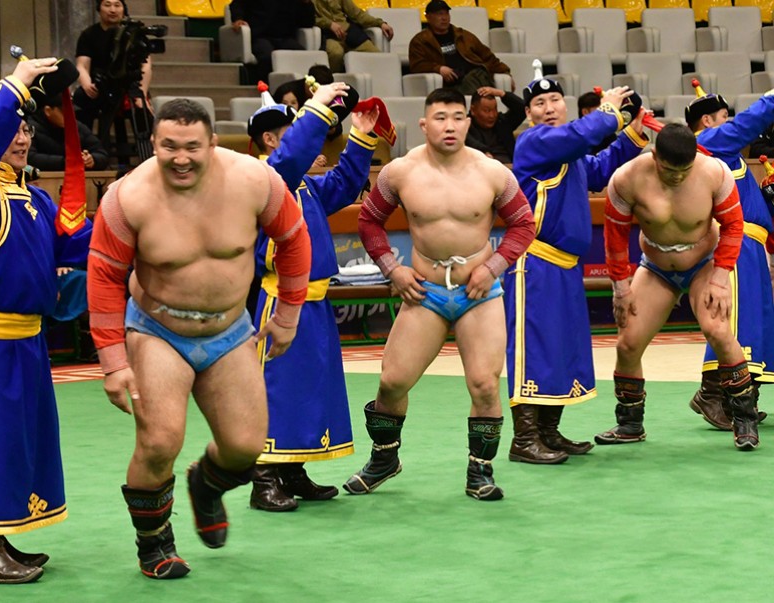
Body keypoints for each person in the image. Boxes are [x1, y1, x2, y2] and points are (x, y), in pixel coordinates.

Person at [86, 99, 312, 578]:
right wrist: (113, 362)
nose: (181, 158)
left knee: (245, 447)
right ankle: (154, 544)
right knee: (159, 441)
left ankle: (205, 485)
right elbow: (104, 277)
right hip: (157, 331)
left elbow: (293, 238)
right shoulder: (128, 197)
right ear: (154, 143)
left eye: (192, 146)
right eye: (169, 146)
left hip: (230, 330)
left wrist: (289, 313)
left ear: (212, 142)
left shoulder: (256, 180)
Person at [344, 88, 536, 501]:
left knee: (484, 385)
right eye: (440, 118)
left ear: (468, 123)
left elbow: (523, 224)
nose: (450, 126)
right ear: (424, 125)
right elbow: (369, 221)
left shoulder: (493, 173)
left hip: (479, 292)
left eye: (457, 117)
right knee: (392, 381)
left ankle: (480, 470)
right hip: (425, 291)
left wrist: (492, 267)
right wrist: (392, 268)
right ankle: (384, 457)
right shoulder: (399, 172)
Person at [0, 57, 92, 584]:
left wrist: (136, 211)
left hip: (28, 342)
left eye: (25, 129)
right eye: (11, 127)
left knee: (18, 443)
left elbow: (79, 244)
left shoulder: (37, 200)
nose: (21, 138)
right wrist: (15, 85)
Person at [247, 82, 381, 511]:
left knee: (309, 389)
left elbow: (346, 182)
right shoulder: (265, 179)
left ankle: (293, 470)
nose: (309, 138)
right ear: (271, 140)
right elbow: (291, 160)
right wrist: (316, 107)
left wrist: (361, 137)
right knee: (276, 389)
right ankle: (263, 478)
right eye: (296, 129)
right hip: (279, 300)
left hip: (316, 301)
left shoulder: (303, 184)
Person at [506, 70, 648, 465]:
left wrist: (632, 133)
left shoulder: (567, 151)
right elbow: (582, 135)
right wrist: (610, 112)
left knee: (562, 349)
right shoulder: (534, 142)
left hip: (566, 266)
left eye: (554, 100)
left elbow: (600, 168)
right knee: (535, 349)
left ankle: (548, 432)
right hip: (534, 263)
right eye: (539, 104)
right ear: (529, 114)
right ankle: (524, 439)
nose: (549, 108)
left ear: (564, 105)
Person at [594, 123, 759, 451]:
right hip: (656, 268)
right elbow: (614, 238)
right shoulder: (626, 179)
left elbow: (733, 225)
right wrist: (620, 287)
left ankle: (745, 418)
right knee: (628, 343)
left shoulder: (714, 173)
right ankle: (630, 423)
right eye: (670, 171)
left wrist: (720, 277)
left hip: (704, 264)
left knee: (718, 331)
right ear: (655, 156)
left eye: (685, 170)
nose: (678, 177)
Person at [682, 84, 774, 431]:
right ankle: (712, 394)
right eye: (724, 116)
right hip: (734, 245)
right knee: (734, 322)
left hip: (752, 246)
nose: (730, 122)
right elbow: (745, 126)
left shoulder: (726, 153)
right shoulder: (710, 143)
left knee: (753, 323)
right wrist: (770, 100)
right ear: (707, 121)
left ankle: (741, 398)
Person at [73, 0, 154, 159]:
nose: (112, 10)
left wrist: (142, 93)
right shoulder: (89, 35)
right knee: (81, 100)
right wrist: (87, 84)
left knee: (142, 110)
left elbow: (146, 66)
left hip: (130, 86)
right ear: (99, 8)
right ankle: (86, 154)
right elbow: (82, 65)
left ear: (124, 9)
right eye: (107, 5)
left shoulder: (134, 33)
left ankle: (148, 157)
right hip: (100, 85)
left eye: (117, 5)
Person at [409, 0, 513, 96]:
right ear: (428, 17)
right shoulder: (421, 41)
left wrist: (506, 73)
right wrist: (438, 69)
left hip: (473, 76)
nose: (444, 18)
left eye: (446, 13)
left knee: (474, 78)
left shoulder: (463, 35)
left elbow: (487, 56)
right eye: (439, 14)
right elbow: (416, 65)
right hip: (450, 84)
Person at [228, 0, 316, 83]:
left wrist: (306, 4)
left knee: (302, 55)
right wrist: (238, 19)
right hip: (260, 36)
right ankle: (266, 88)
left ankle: (300, 90)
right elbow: (237, 4)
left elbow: (308, 22)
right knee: (266, 56)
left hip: (285, 37)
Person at [28, 93, 109, 171]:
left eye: (71, 112)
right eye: (64, 112)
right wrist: (66, 162)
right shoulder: (30, 128)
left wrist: (92, 160)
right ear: (48, 111)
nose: (69, 116)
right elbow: (30, 158)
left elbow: (102, 154)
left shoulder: (77, 127)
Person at [313, 0, 394, 72]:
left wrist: (380, 23)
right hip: (328, 35)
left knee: (375, 54)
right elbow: (309, 18)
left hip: (349, 33)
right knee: (336, 53)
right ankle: (335, 80)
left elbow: (358, 15)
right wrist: (329, 24)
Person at [464, 86, 525, 163]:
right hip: (482, 166)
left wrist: (501, 93)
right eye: (487, 111)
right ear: (473, 110)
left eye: (495, 109)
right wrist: (484, 151)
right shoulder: (465, 125)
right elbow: (470, 141)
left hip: (511, 166)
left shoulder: (502, 121)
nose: (492, 115)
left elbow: (522, 109)